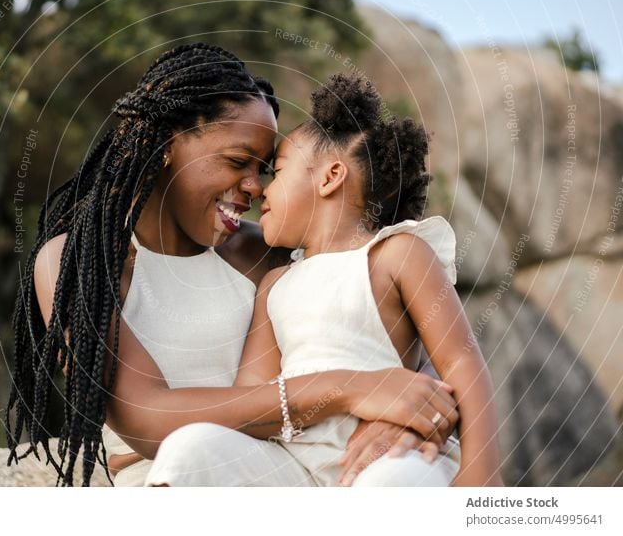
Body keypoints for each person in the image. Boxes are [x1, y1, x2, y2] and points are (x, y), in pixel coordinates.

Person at [5, 43, 459, 487]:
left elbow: (380, 314)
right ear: (167, 144)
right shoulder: (78, 263)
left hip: (293, 469)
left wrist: (412, 411)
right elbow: (145, 417)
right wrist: (349, 389)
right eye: (238, 161)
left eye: (264, 169)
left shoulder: (265, 253)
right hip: (182, 477)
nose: (255, 187)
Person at [143, 73, 502, 487]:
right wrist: (147, 445)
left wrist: (482, 471)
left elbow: (460, 360)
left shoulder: (396, 253)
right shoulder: (275, 284)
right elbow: (250, 397)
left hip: (383, 457)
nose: (260, 191)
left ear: (330, 177)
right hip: (291, 464)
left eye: (275, 172)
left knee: (393, 484)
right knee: (191, 449)